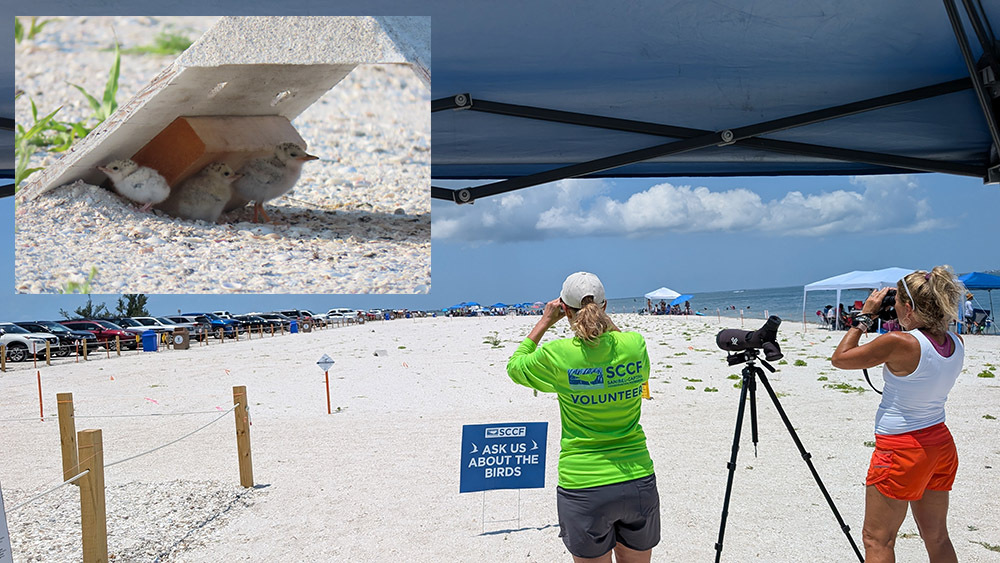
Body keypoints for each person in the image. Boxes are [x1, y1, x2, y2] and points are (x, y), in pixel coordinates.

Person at [507, 272, 659, 563]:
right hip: (636, 477)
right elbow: (631, 359)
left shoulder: (557, 355)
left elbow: (515, 367)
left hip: (583, 484)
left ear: (564, 309)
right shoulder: (634, 345)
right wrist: (602, 317)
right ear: (604, 306)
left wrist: (544, 322)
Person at [830, 266, 965, 563]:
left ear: (907, 307)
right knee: (937, 535)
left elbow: (840, 359)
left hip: (902, 449)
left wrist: (865, 318)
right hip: (940, 443)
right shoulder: (955, 342)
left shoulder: (899, 343)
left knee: (878, 539)